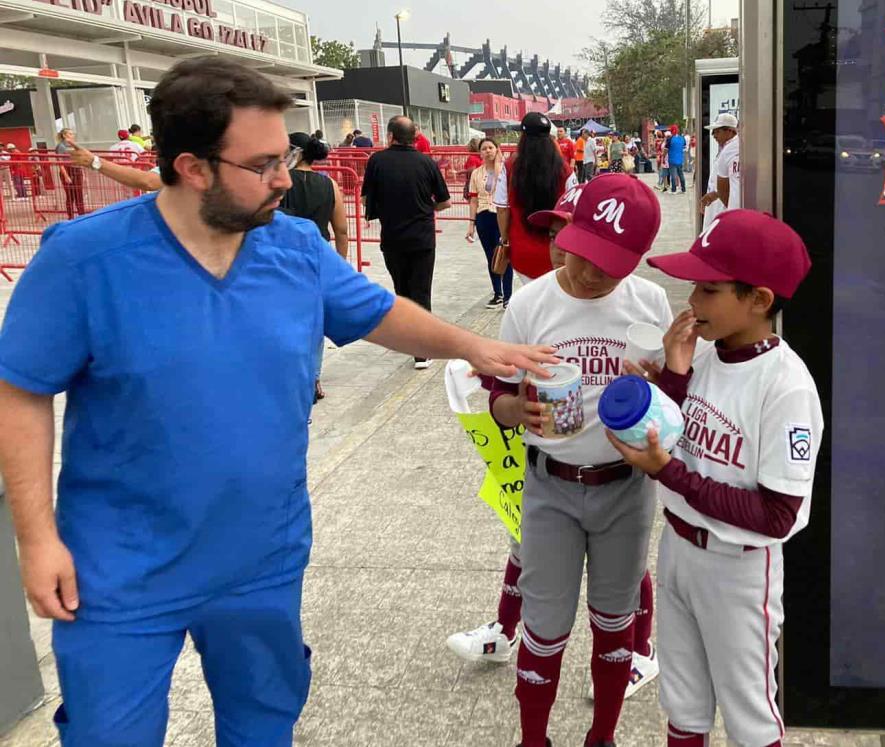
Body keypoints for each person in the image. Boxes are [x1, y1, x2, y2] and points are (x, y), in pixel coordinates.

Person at [0, 55, 557, 747]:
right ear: (192, 166)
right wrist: (37, 537)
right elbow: (21, 389)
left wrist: (475, 347)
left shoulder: (292, 246)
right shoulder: (84, 259)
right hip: (120, 568)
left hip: (260, 556)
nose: (285, 179)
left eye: (285, 154)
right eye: (262, 163)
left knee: (263, 722)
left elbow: (377, 311)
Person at [612, 209, 821, 747]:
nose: (693, 302)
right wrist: (674, 377)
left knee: (749, 714)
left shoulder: (786, 386)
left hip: (738, 566)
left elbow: (777, 516)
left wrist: (668, 473)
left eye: (708, 289)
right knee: (683, 704)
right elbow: (680, 437)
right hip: (680, 547)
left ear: (759, 300)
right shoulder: (703, 355)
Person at [446, 187, 662, 705]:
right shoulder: (530, 302)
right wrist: (516, 411)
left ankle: (605, 730)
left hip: (624, 483)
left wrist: (661, 386)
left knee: (615, 621)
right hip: (550, 481)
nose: (591, 273)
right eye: (582, 253)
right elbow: (499, 395)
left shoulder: (647, 301)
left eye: (611, 265)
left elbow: (675, 398)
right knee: (545, 623)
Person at [362, 115, 451, 370]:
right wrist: (426, 207)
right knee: (421, 291)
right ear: (414, 137)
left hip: (392, 237)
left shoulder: (376, 161)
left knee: (401, 291)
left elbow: (367, 200)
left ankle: (407, 339)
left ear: (390, 136)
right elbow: (445, 202)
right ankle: (422, 351)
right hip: (423, 237)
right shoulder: (426, 162)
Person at [280, 131, 351, 403]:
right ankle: (314, 378)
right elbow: (341, 230)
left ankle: (292, 377)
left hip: (284, 258)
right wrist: (340, 267)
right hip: (318, 257)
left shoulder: (281, 182)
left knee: (287, 319)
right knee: (314, 323)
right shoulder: (329, 184)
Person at [494, 111, 575, 281]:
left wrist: (505, 239)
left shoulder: (509, 167)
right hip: (557, 252)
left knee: (532, 297)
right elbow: (573, 210)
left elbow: (502, 209)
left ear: (523, 136)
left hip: (522, 250)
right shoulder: (564, 169)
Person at [465, 137, 513, 309]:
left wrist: (500, 162)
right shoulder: (477, 173)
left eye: (491, 148)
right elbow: (473, 200)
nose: (488, 151)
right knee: (490, 256)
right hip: (483, 217)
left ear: (497, 149)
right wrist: (471, 224)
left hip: (501, 216)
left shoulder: (504, 171)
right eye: (484, 148)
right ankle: (497, 293)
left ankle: (508, 295)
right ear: (480, 152)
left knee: (504, 253)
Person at [699, 113, 740, 229]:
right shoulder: (726, 148)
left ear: (730, 131)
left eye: (717, 131)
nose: (713, 135)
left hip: (725, 208)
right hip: (717, 205)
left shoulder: (735, 149)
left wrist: (724, 201)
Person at [70, 145, 162, 193]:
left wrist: (95, 162)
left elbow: (148, 182)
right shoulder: (135, 144)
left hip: (127, 177)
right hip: (133, 174)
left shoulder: (114, 146)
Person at [55, 128, 86, 220]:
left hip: (77, 170)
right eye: (70, 134)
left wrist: (83, 173)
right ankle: (71, 217)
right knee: (70, 196)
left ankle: (82, 216)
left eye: (72, 134)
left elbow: (80, 155)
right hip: (68, 170)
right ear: (64, 135)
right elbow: (60, 162)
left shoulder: (73, 145)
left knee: (79, 195)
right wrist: (66, 175)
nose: (72, 135)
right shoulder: (61, 146)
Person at [666, 124, 686, 194]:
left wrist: (663, 156)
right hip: (680, 159)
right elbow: (684, 148)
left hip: (672, 159)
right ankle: (683, 189)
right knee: (681, 175)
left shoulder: (669, 139)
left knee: (673, 175)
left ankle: (674, 189)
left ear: (671, 131)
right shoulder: (682, 138)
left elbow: (666, 150)